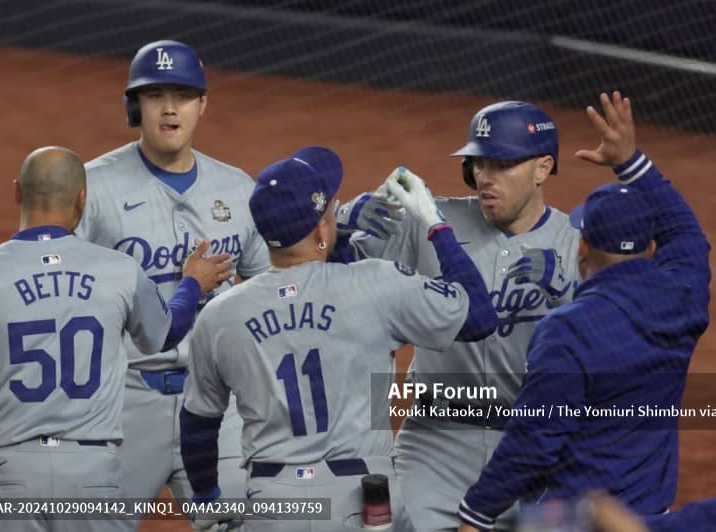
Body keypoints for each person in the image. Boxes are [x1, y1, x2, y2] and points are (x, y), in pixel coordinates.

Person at [179, 146, 498, 532]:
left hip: (275, 504)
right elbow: (479, 317)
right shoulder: (375, 282)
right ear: (321, 227)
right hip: (364, 503)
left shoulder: (219, 315)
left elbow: (198, 422)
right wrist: (435, 223)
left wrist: (207, 498)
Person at [457, 92, 710, 531]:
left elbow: (533, 444)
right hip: (650, 518)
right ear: (649, 248)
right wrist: (632, 161)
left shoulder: (567, 331)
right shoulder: (683, 298)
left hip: (571, 522)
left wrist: (476, 512)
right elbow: (687, 234)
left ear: (583, 247)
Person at [0, 146, 233, 532]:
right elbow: (163, 335)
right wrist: (190, 285)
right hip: (91, 474)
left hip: (8, 474)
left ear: (18, 192)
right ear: (82, 198)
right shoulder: (119, 271)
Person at [350, 101, 581, 530]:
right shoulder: (429, 219)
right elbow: (330, 269)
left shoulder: (576, 245)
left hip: (530, 445)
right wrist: (346, 222)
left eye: (503, 163)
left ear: (543, 168)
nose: (485, 178)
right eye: (477, 163)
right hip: (435, 441)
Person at [73, 39, 272, 526]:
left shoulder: (237, 190)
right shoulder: (94, 189)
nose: (168, 107)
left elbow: (271, 289)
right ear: (133, 105)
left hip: (215, 405)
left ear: (202, 104)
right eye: (154, 93)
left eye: (182, 94)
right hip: (125, 403)